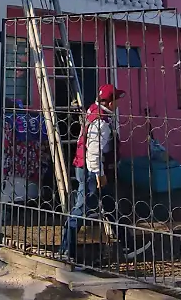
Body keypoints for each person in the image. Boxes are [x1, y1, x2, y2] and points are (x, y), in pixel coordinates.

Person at [61, 84, 151, 264]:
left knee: (110, 206)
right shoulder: (101, 122)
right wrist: (99, 174)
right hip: (92, 172)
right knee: (81, 210)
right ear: (110, 103)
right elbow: (93, 152)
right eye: (116, 99)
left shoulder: (93, 111)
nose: (119, 103)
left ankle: (128, 245)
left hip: (91, 169)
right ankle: (65, 250)